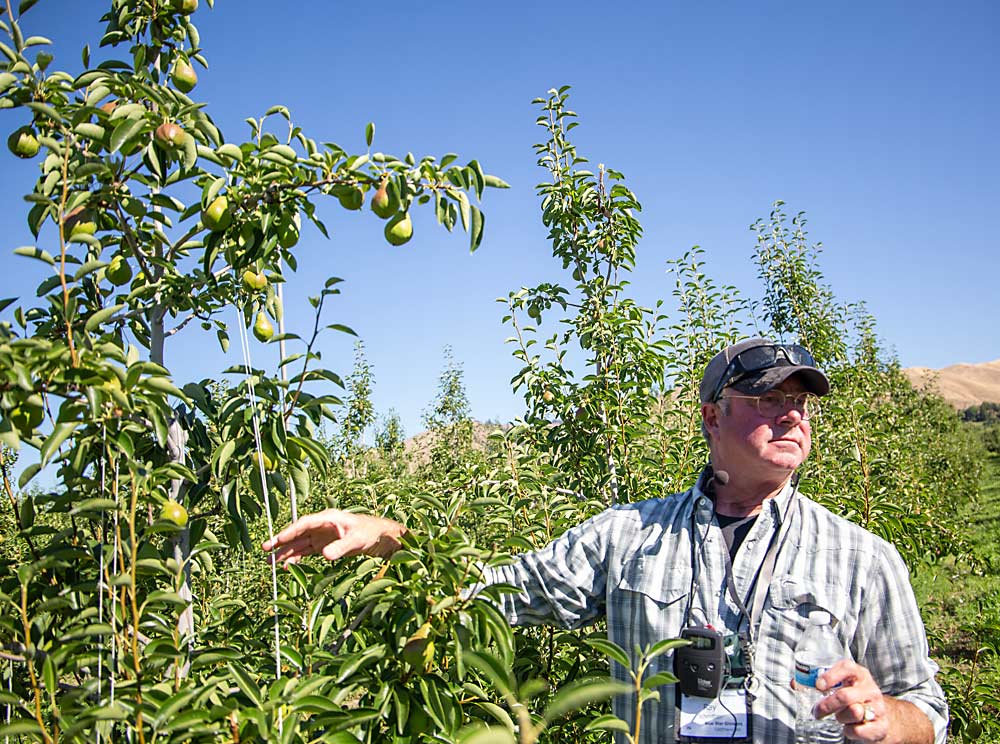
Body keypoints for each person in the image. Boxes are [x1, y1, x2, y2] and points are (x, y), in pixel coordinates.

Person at [263, 338, 947, 744]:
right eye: (767, 399)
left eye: (800, 401)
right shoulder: (629, 537)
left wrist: (888, 717)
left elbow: (928, 711)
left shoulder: (864, 558)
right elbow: (495, 594)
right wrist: (389, 538)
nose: (791, 414)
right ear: (712, 416)